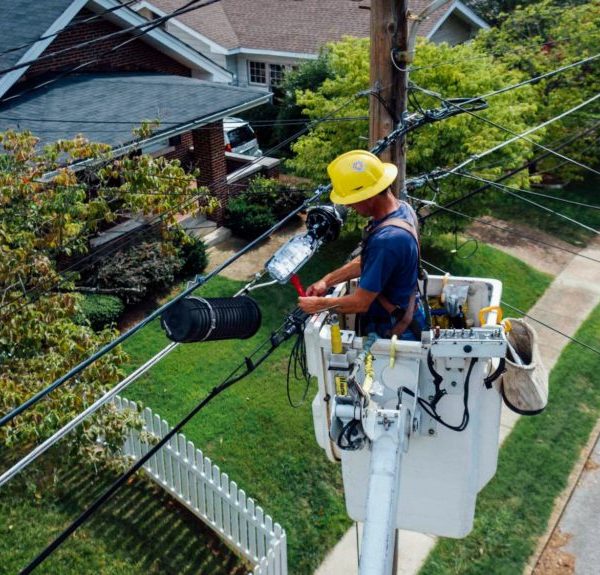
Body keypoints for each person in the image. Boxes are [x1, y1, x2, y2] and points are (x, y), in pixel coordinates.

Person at [297, 150, 427, 340]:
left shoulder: (388, 240)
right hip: (405, 313)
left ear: (369, 196)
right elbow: (367, 262)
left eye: (351, 200)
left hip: (394, 329)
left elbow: (360, 303)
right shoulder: (402, 209)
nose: (349, 206)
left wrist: (318, 305)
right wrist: (327, 280)